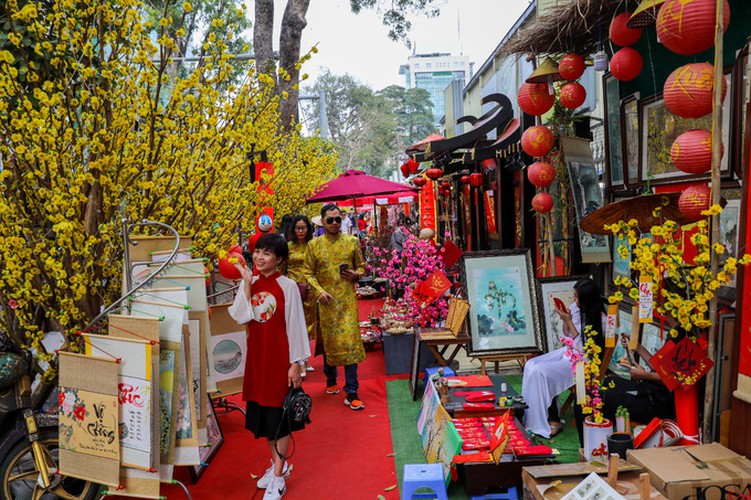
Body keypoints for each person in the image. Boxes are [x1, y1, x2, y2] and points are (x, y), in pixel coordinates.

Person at [227, 233, 310, 499]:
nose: (260, 257)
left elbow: (296, 325)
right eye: (257, 252)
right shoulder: (249, 283)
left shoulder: (287, 287)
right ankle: (278, 465)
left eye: (267, 253)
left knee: (280, 418)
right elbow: (240, 315)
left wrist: (296, 362)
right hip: (258, 360)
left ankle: (278, 476)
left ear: (280, 259)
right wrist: (247, 284)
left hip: (280, 360)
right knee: (265, 416)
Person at [521, 278, 606, 439]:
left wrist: (568, 321)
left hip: (583, 361)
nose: (574, 300)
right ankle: (531, 415)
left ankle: (552, 419)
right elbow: (566, 336)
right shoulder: (575, 308)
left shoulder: (600, 320)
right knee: (531, 364)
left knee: (541, 371)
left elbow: (583, 349)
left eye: (576, 297)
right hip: (568, 353)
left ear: (586, 298)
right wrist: (564, 320)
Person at [303, 204, 367, 410]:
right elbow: (308, 273)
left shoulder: (352, 242)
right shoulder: (313, 246)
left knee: (350, 342)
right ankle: (331, 379)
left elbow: (362, 266)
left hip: (347, 301)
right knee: (328, 341)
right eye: (329, 220)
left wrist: (357, 275)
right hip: (326, 302)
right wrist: (319, 291)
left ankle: (352, 390)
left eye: (337, 219)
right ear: (322, 221)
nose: (334, 223)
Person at [285, 215, 317, 372]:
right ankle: (299, 361)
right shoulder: (288, 246)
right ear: (293, 229)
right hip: (293, 288)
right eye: (297, 228)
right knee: (295, 323)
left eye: (303, 227)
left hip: (309, 288)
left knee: (309, 324)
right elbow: (281, 267)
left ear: (308, 229)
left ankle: (306, 358)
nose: (300, 231)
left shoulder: (313, 245)